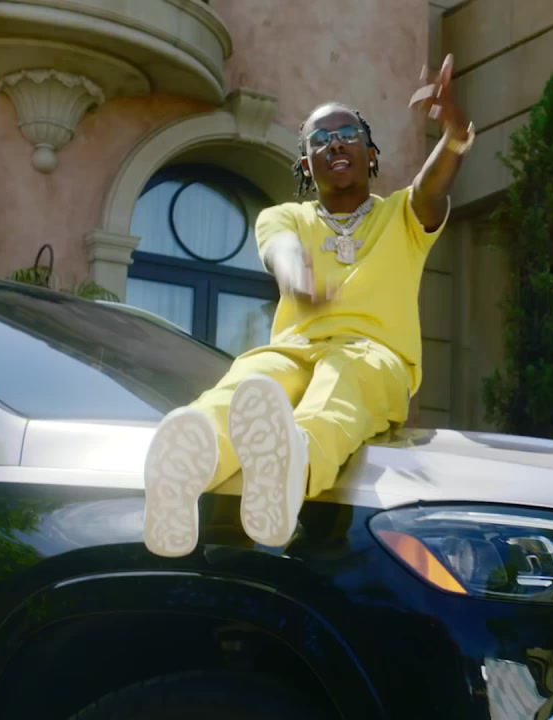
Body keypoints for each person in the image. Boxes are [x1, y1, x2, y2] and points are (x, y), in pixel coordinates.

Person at [141, 54, 473, 558]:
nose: (334, 143)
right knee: (251, 382)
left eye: (348, 135)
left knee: (343, 383)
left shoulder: (402, 216)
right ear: (304, 165)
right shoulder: (285, 216)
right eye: (320, 139)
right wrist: (300, 282)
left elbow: (432, 187)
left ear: (370, 155)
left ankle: (290, 468)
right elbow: (281, 251)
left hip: (374, 357)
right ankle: (185, 464)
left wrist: (453, 134)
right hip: (295, 348)